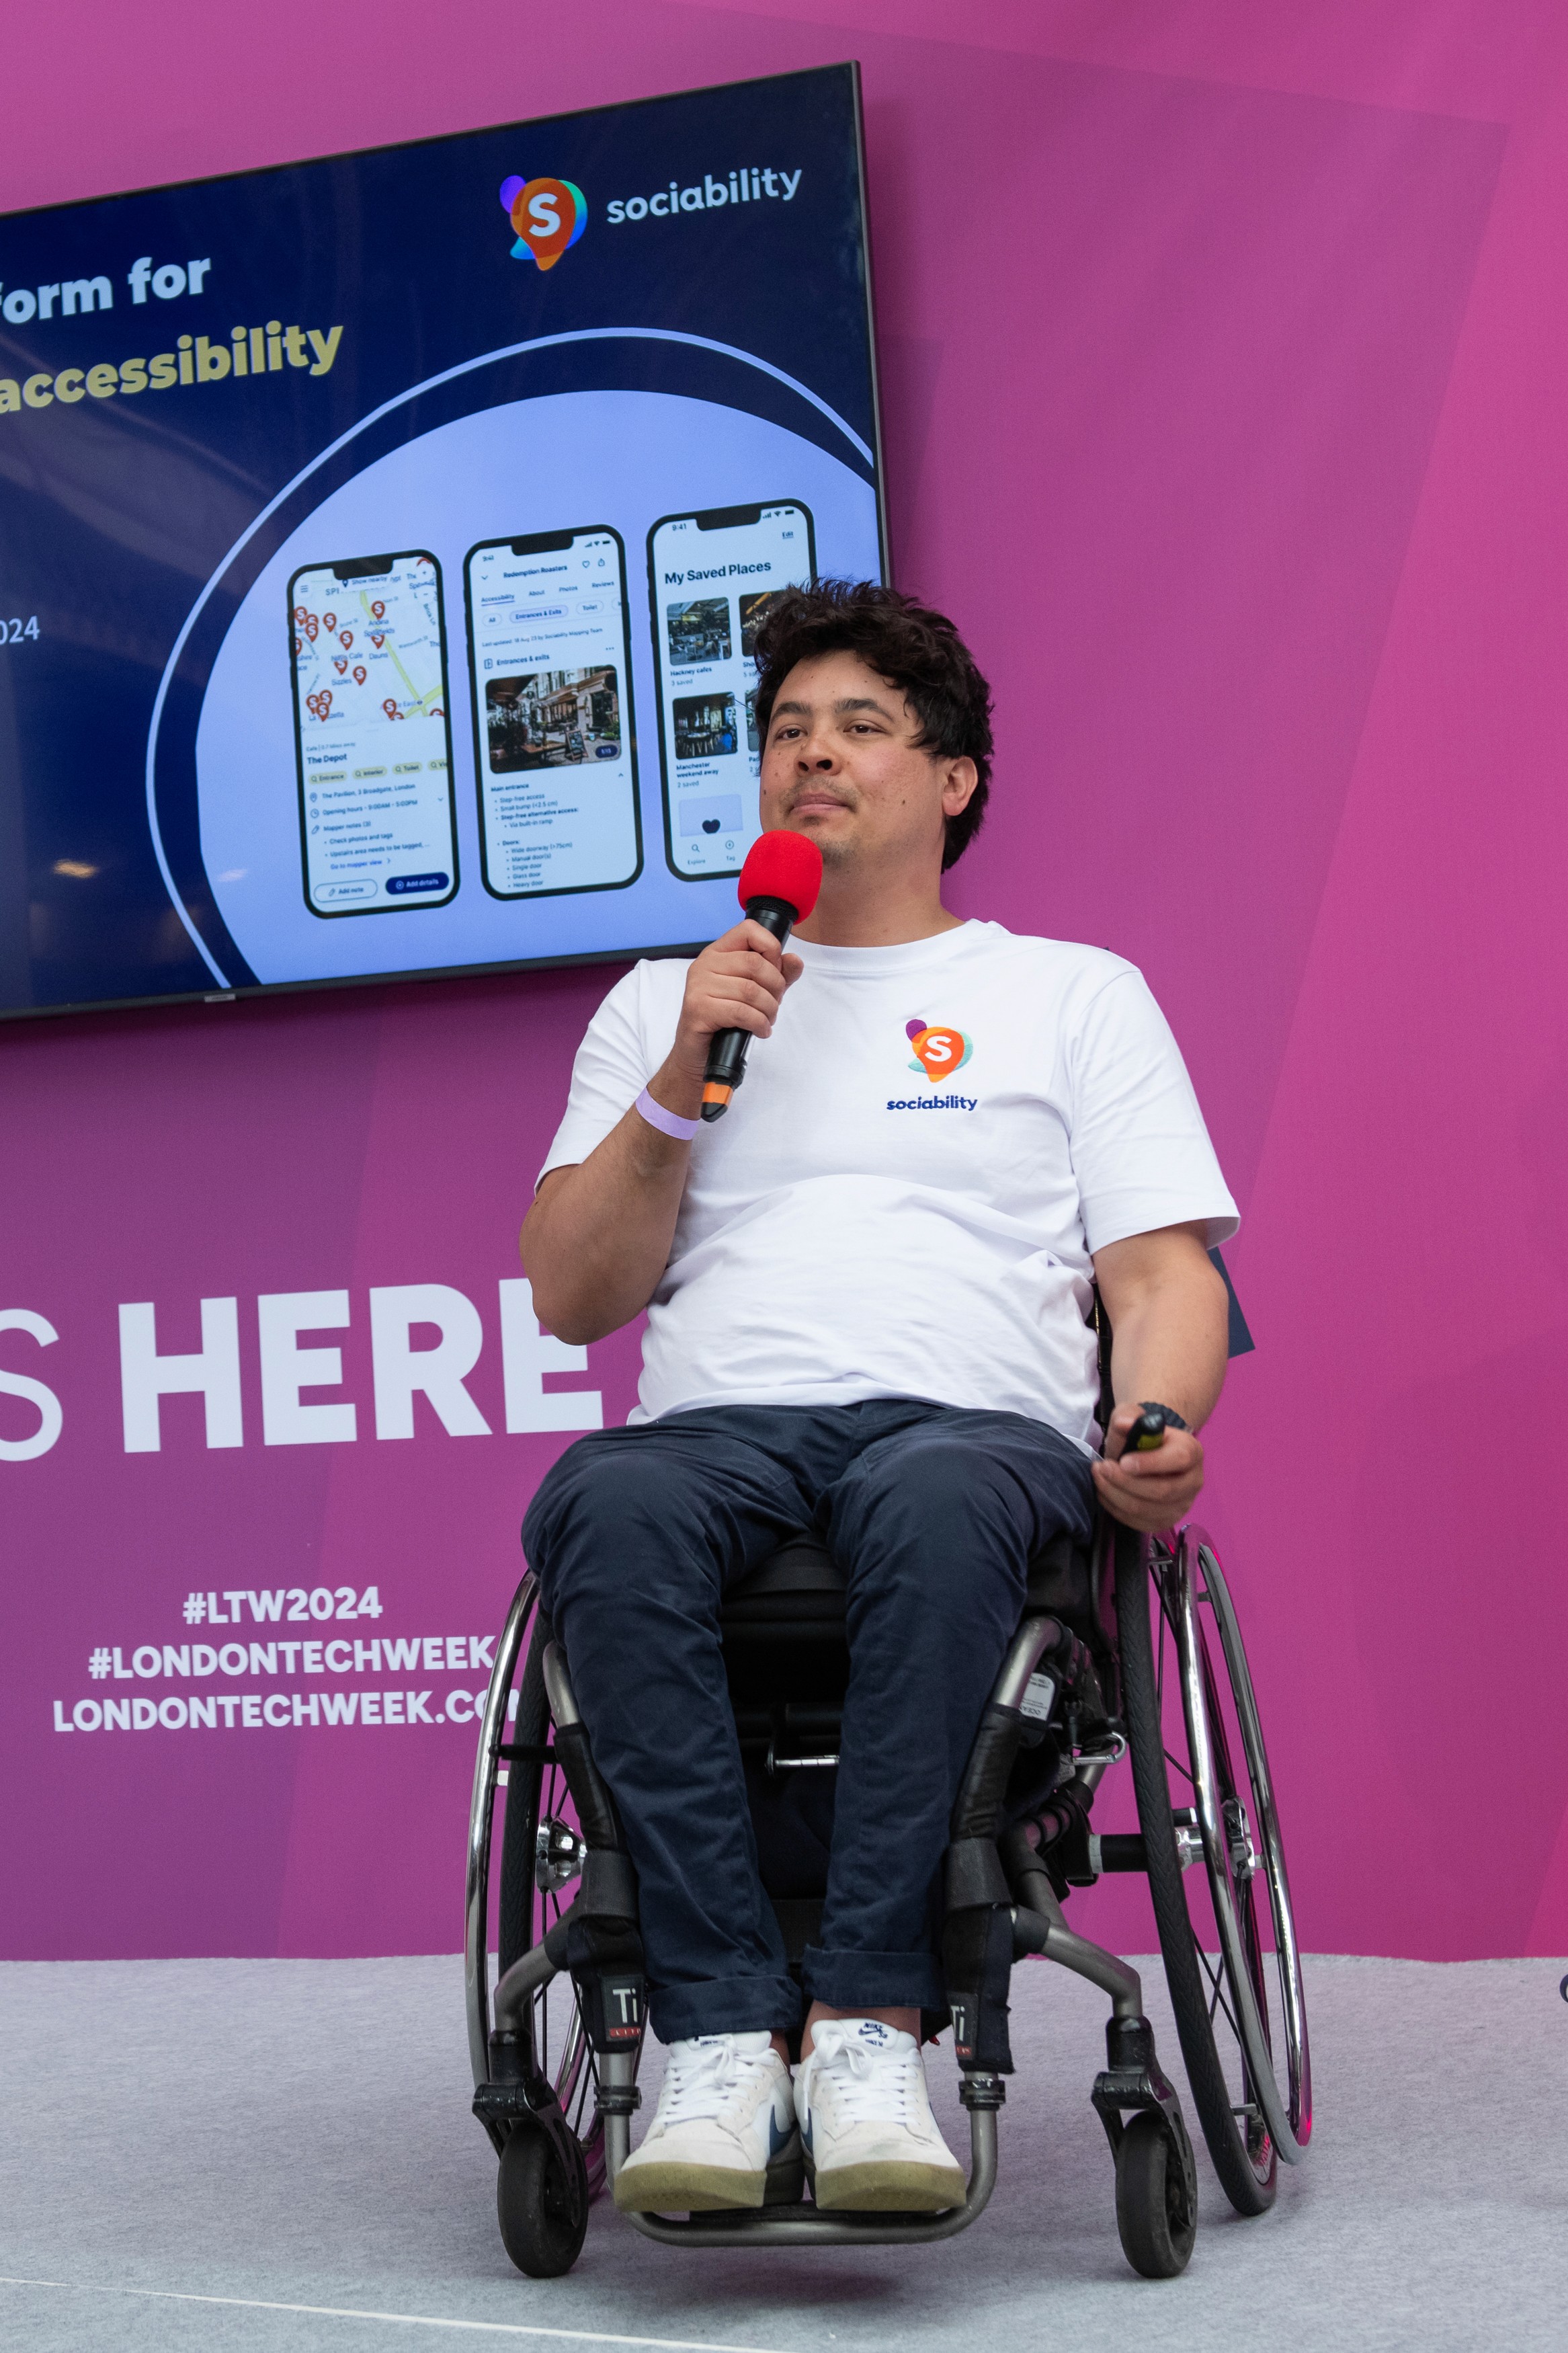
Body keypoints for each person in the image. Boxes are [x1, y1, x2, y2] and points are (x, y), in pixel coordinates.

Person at [521, 580, 1235, 2218]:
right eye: (786, 731)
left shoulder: (1072, 993)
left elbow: (1161, 1277)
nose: (812, 756)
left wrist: (1156, 1423)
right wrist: (679, 1079)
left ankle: (865, 2030)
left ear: (955, 777)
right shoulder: (664, 1001)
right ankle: (718, 2040)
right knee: (601, 1498)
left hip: (968, 1434)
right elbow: (572, 1294)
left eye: (859, 726)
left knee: (932, 1497)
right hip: (717, 1435)